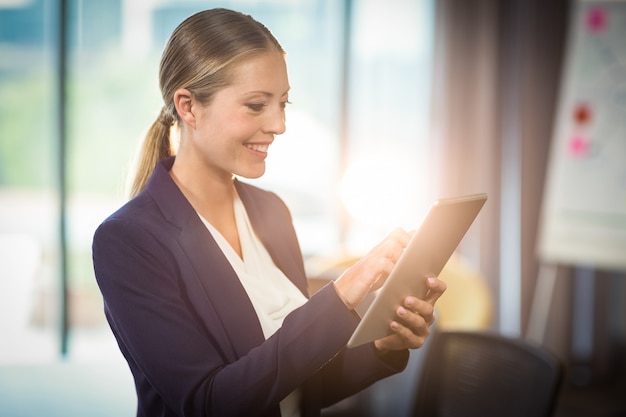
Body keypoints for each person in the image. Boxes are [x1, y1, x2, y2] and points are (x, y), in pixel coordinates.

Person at [92, 8, 446, 417]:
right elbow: (208, 403)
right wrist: (343, 294)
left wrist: (383, 345)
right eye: (257, 105)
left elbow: (296, 384)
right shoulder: (130, 240)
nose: (279, 124)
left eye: (283, 103)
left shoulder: (271, 211)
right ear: (188, 107)